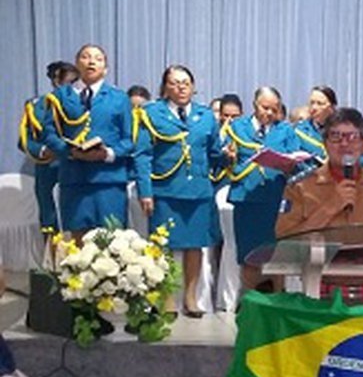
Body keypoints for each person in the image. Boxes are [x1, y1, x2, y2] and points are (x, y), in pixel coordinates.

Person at [133, 65, 226, 317]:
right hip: (165, 190)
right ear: (165, 88)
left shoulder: (206, 116)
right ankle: (166, 298)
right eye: (174, 83)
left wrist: (228, 156)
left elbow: (214, 154)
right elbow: (142, 155)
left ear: (193, 87)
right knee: (163, 246)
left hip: (197, 190)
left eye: (186, 82)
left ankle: (190, 298)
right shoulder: (151, 114)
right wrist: (145, 191)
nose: (181, 87)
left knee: (195, 245)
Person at [40, 44, 139, 234]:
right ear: (77, 63)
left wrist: (108, 154)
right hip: (74, 179)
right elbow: (48, 133)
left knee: (113, 242)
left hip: (109, 180)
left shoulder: (119, 98)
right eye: (86, 57)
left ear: (106, 68)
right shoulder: (60, 97)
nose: (92, 61)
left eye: (98, 58)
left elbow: (129, 140)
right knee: (78, 245)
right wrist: (68, 151)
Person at [276, 108, 363, 237]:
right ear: (325, 144)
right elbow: (285, 241)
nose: (344, 144)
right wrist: (330, 207)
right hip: (320, 261)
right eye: (336, 136)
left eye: (353, 137)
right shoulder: (300, 189)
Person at [225, 86, 298, 291]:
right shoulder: (237, 127)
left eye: (274, 109)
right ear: (255, 105)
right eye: (265, 108)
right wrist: (228, 157)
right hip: (248, 198)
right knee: (249, 255)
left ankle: (277, 300)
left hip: (275, 199)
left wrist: (289, 164)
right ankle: (249, 299)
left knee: (277, 256)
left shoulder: (285, 130)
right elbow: (224, 158)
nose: (269, 113)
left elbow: (296, 160)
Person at [19, 61, 78, 234]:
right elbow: (24, 140)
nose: (72, 87)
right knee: (49, 217)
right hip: (48, 166)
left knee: (78, 215)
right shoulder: (38, 105)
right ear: (55, 81)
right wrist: (43, 151)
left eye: (75, 82)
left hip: (77, 165)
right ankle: (51, 256)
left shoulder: (86, 103)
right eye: (69, 82)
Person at [293, 85, 337, 161]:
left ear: (332, 107)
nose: (314, 108)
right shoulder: (299, 132)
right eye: (312, 103)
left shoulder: (344, 131)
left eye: (320, 104)